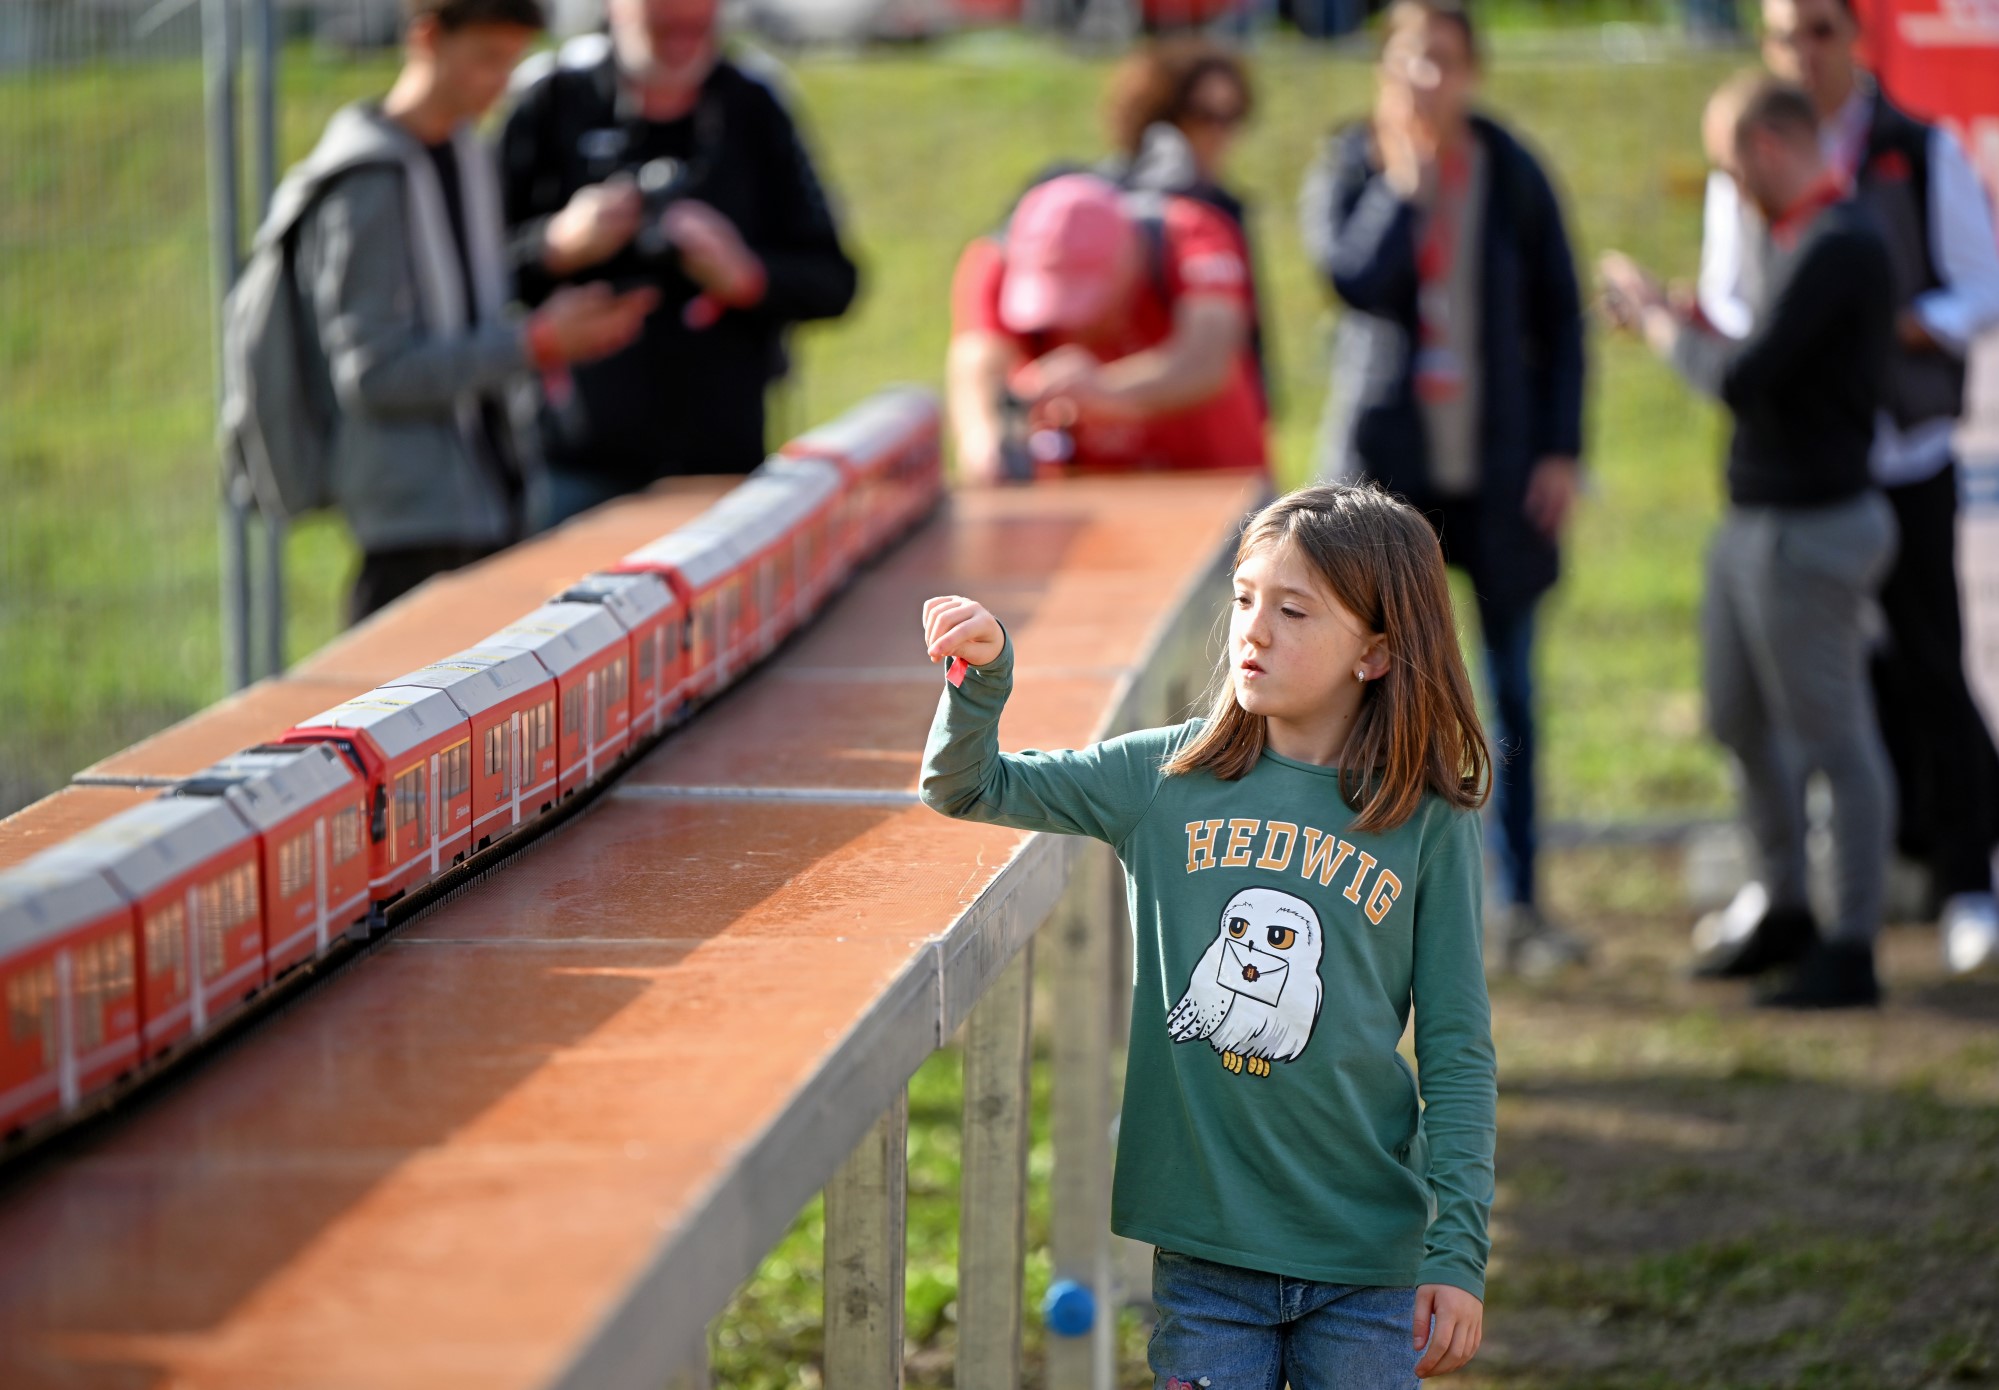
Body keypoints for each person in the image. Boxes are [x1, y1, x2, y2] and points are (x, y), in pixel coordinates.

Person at [921, 483, 1495, 1385]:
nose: (1252, 632)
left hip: (1367, 1263)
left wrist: (1455, 1254)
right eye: (1242, 599)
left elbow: (1458, 1053)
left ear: (1376, 652)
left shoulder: (1425, 820)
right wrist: (980, 677)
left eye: (1292, 610)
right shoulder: (1162, 776)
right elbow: (968, 786)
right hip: (1206, 1259)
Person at [1694, 0, 1999, 974]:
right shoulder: (1742, 154)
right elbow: (1733, 302)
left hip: (1898, 450)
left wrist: (1892, 320)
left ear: (1855, 38)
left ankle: (1964, 880)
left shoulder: (1913, 147)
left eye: (1822, 29)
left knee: (1929, 660)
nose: (1805, 50)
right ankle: (1806, 885)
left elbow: (1978, 282)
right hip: (1793, 466)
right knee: (1799, 695)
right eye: (1786, 34)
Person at [1300, 0, 1587, 974]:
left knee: (1507, 692)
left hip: (1498, 472)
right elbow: (1348, 277)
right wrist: (1404, 186)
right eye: (1411, 59)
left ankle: (1520, 906)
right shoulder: (1352, 162)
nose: (1427, 80)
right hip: (1390, 477)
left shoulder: (1510, 170)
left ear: (1472, 70)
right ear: (1386, 65)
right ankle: (1369, 911)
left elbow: (1563, 315)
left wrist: (1561, 451)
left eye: (1446, 61)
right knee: (1371, 693)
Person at [1601, 75, 1897, 1007]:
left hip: (1811, 528)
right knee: (1738, 720)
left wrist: (1656, 326)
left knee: (1832, 739)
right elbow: (1759, 347)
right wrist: (1687, 315)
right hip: (1756, 522)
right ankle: (1784, 907)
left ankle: (1851, 943)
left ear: (1769, 146)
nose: (1727, 185)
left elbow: (1748, 377)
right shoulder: (1795, 241)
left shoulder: (1839, 244)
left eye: (1730, 164)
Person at [277, 0, 654, 622]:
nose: (501, 82)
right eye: (486, 59)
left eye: (512, 61)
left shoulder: (468, 152)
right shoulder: (367, 181)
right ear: (427, 37)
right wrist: (533, 344)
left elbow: (466, 310)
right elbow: (374, 373)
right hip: (414, 533)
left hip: (492, 505)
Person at [500, 0, 860, 525]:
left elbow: (835, 281)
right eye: (662, 20)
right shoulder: (554, 96)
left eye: (699, 21)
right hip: (578, 462)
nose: (683, 31)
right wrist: (557, 246)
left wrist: (746, 276)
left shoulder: (754, 102)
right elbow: (465, 275)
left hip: (723, 463)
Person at [947, 173, 1267, 482]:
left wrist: (1104, 389)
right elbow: (975, 364)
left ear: (1129, 258)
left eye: (1084, 297)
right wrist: (983, 440)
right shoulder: (995, 264)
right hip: (1087, 505)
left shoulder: (1190, 236)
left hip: (1219, 488)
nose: (1072, 324)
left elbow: (1206, 360)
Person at [1100, 39, 1270, 401]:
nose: (1219, 133)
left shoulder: (1224, 206)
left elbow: (1245, 328)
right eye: (1204, 115)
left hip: (1219, 409)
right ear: (1161, 116)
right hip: (1132, 398)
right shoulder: (1113, 203)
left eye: (1231, 115)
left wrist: (1261, 404)